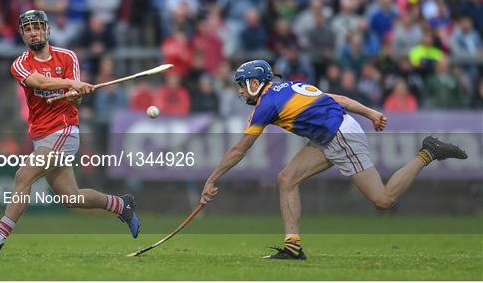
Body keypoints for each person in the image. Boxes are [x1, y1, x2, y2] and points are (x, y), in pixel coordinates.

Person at [200, 60, 467, 260]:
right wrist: (370, 112)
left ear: (254, 83)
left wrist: (212, 179)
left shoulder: (267, 104)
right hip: (329, 134)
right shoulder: (290, 85)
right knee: (287, 178)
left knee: (383, 200)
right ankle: (293, 247)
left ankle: (428, 151)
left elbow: (239, 149)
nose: (240, 92)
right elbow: (336, 98)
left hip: (339, 135)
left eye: (241, 86)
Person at [0, 10, 140, 254]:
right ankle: (122, 205)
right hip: (41, 136)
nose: (34, 32)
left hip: (64, 131)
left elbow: (75, 103)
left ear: (47, 30)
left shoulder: (68, 57)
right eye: (28, 29)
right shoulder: (20, 64)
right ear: (22, 35)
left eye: (38, 27)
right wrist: (71, 84)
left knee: (23, 175)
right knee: (72, 198)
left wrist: (77, 95)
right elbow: (39, 83)